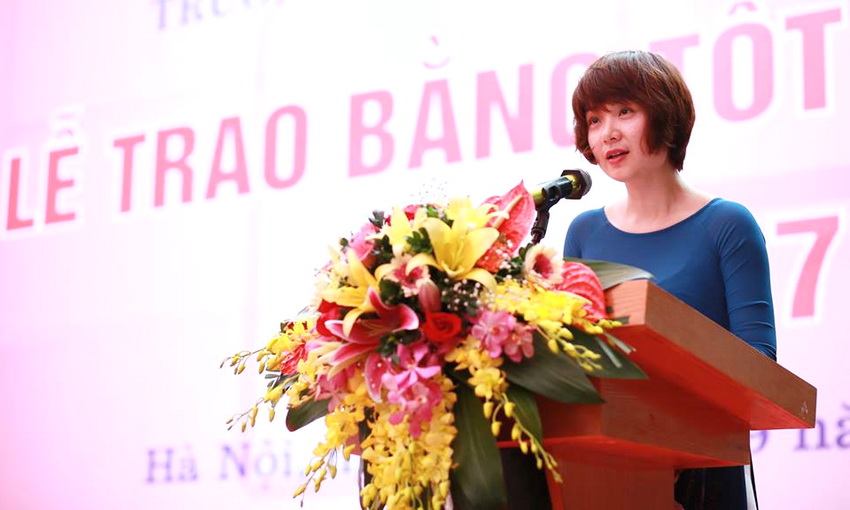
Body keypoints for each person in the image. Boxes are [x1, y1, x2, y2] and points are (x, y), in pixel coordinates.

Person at [563, 50, 777, 509]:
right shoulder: (584, 232)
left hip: (706, 468)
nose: (608, 132)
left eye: (625, 111)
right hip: (607, 467)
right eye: (595, 120)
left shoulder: (727, 225)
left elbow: (759, 363)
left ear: (665, 115)